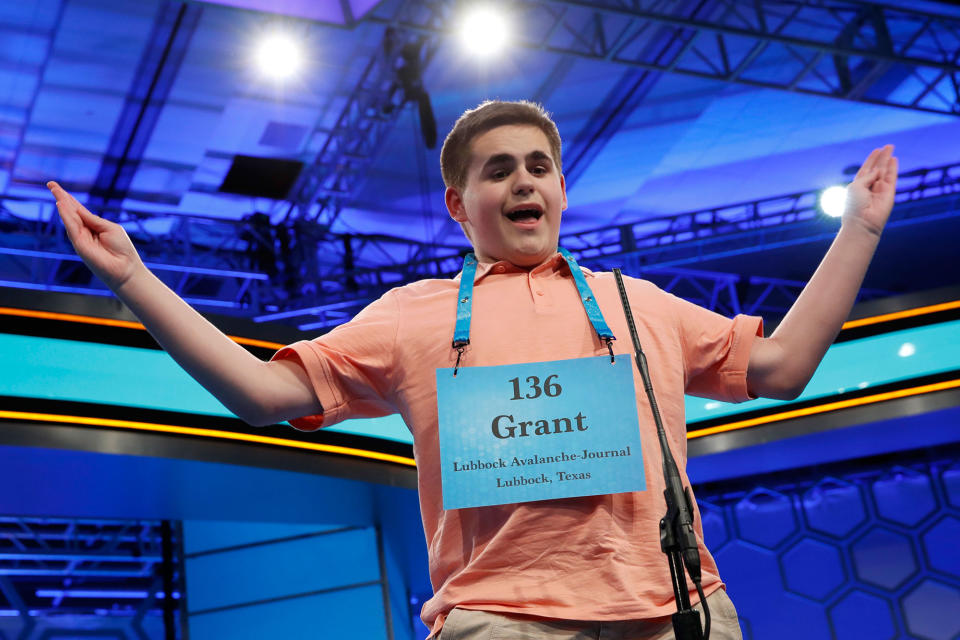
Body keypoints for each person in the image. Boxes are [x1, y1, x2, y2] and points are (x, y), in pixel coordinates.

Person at [48, 100, 898, 639]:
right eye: (499, 170)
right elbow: (264, 394)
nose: (525, 181)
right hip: (501, 624)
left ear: (562, 189)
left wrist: (857, 228)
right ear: (459, 205)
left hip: (676, 617)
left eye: (539, 166)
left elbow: (782, 367)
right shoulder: (411, 316)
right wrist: (133, 278)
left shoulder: (639, 302)